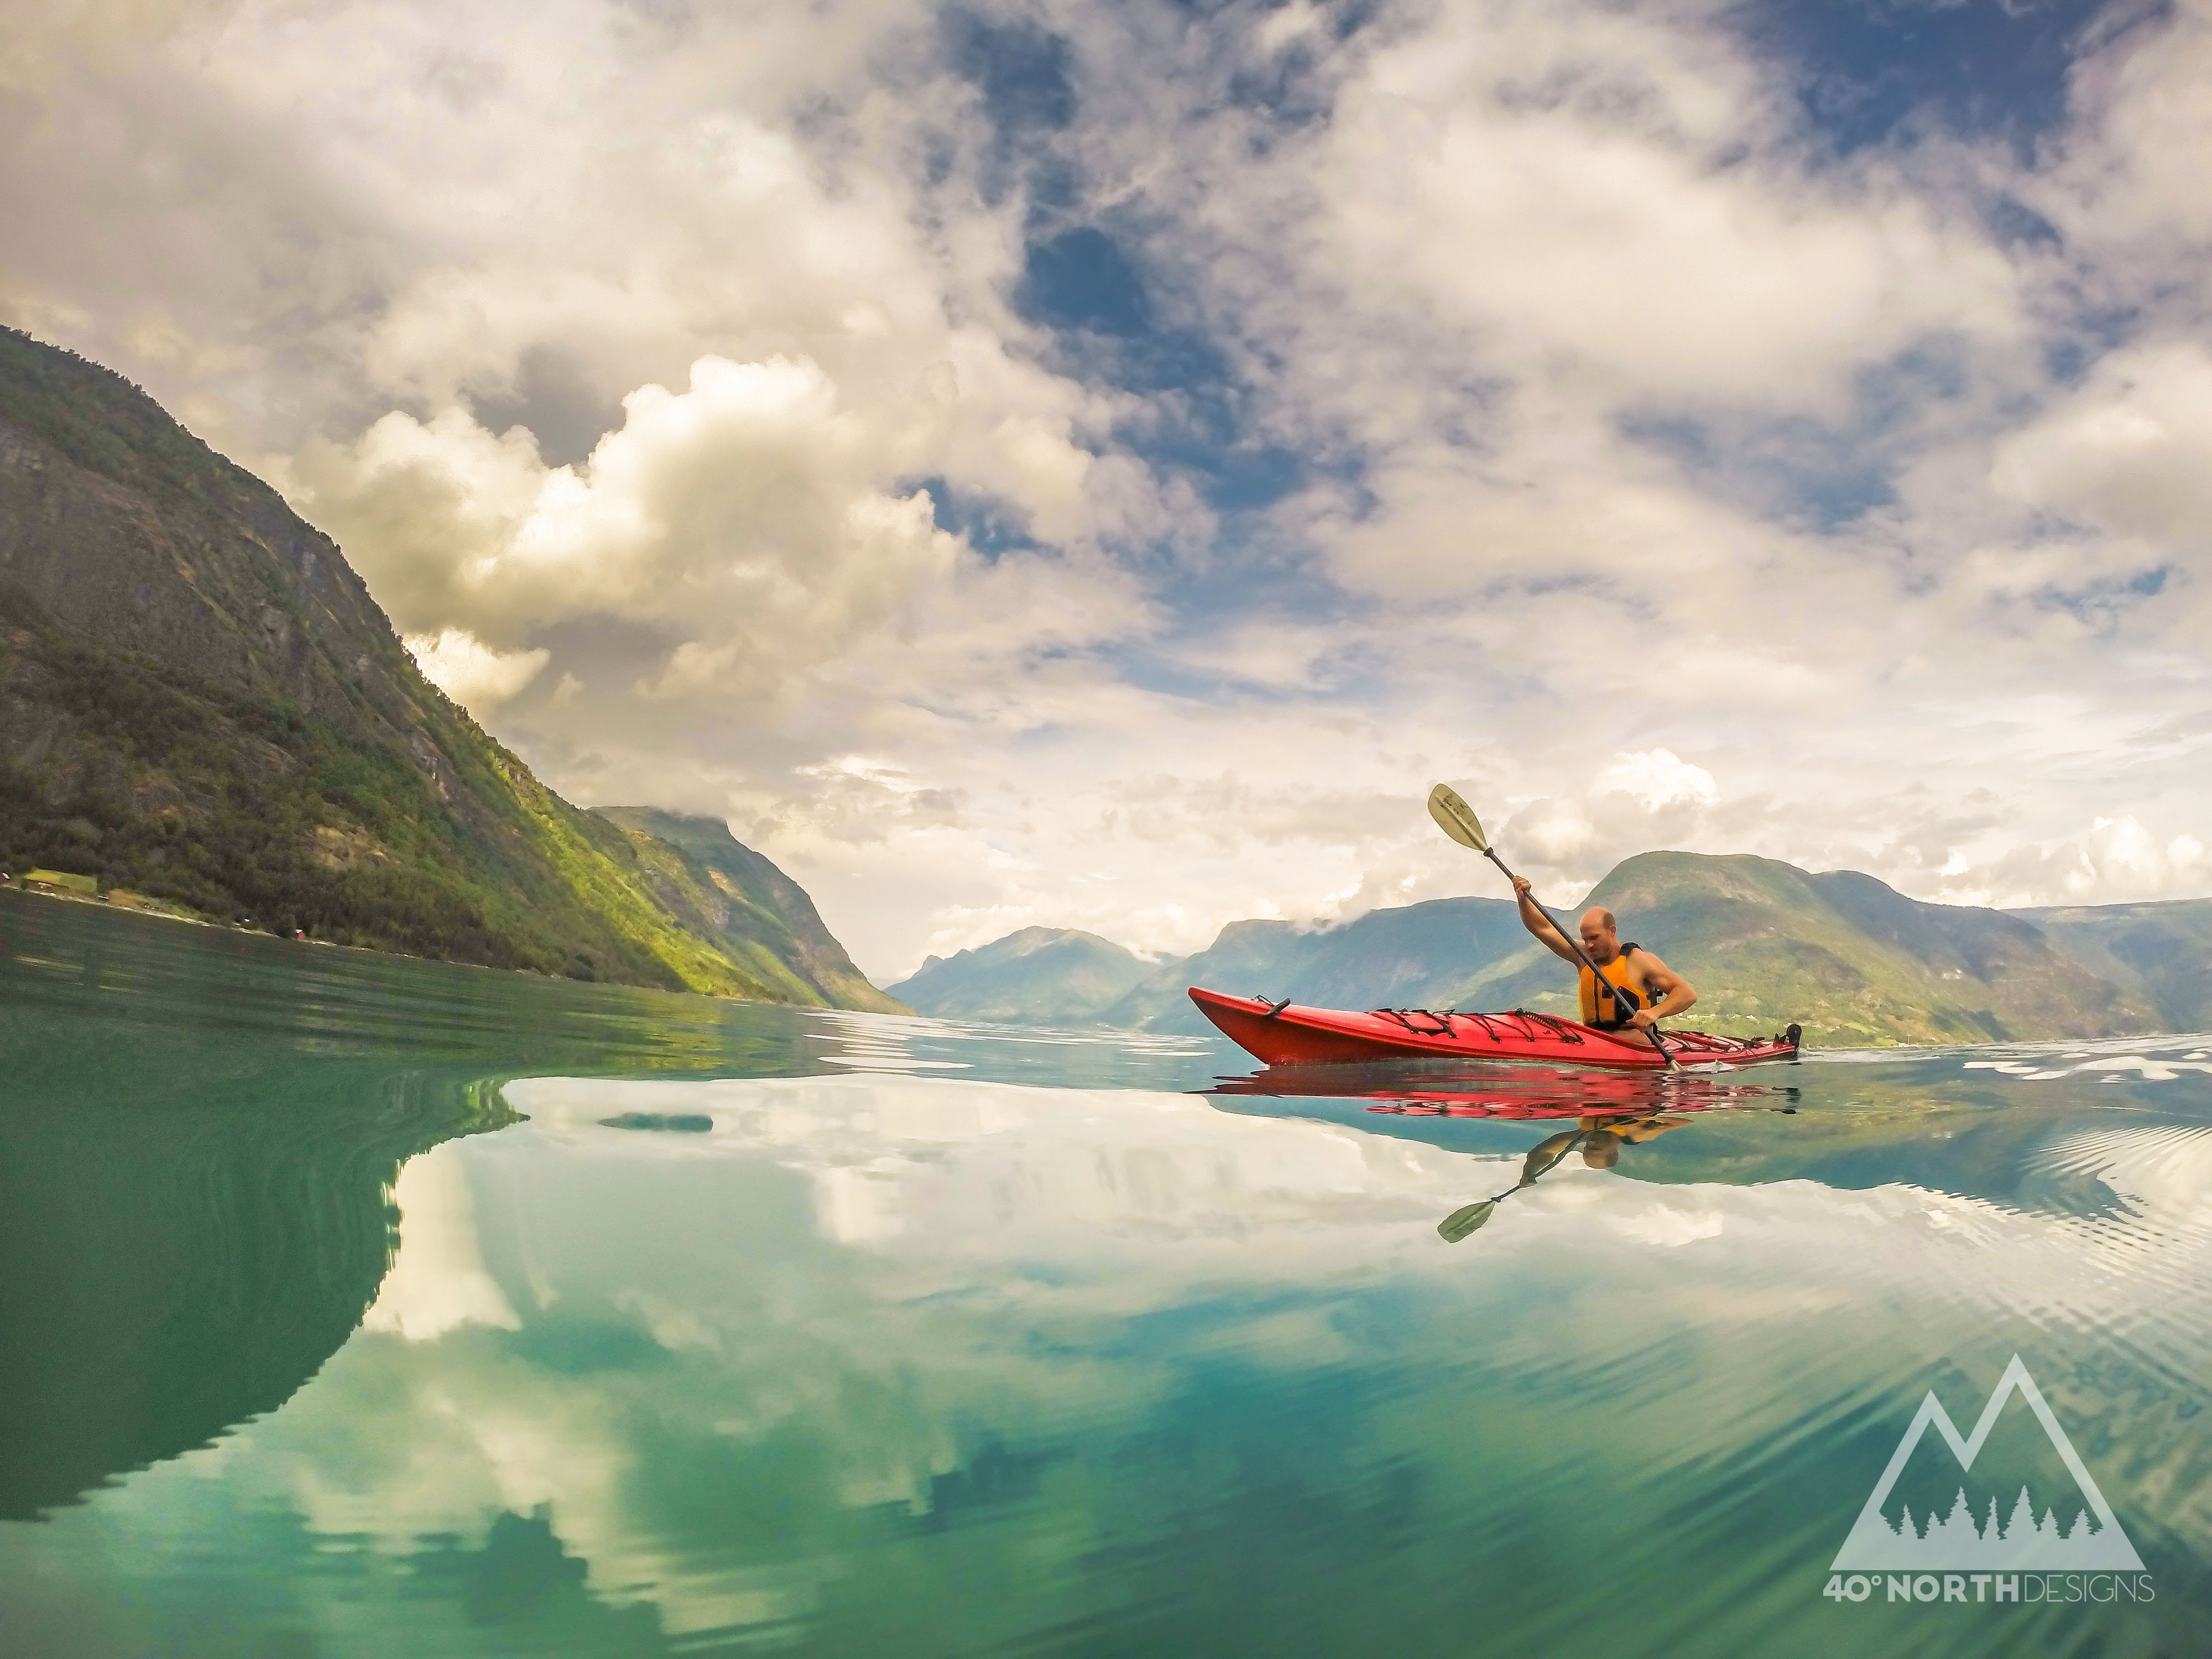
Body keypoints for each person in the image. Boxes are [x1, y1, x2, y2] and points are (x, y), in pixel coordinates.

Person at [1510, 876, 1696, 1048]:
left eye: (1595, 938)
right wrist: (1523, 898)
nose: (1589, 945)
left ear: (1612, 931)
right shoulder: (1583, 957)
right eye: (1585, 938)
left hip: (1635, 1046)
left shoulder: (1638, 960)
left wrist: (1654, 1013)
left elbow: (1686, 994)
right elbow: (1542, 928)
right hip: (1594, 1042)